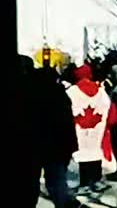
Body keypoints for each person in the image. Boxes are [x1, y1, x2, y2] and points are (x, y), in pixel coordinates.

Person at [27, 63, 79, 208]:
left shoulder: (29, 95)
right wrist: (71, 147)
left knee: (31, 183)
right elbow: (68, 124)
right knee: (57, 182)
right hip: (58, 147)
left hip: (34, 145)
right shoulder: (60, 95)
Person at [66, 64, 112, 194]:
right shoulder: (101, 91)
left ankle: (84, 183)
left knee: (83, 152)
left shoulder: (72, 91)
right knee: (95, 151)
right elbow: (107, 106)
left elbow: (66, 107)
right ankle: (96, 180)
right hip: (97, 127)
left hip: (79, 127)